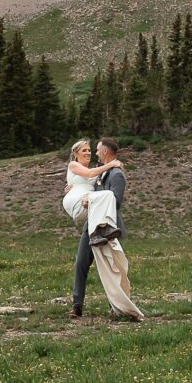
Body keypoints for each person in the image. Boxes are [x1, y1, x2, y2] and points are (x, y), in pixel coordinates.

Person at [66, 137, 143, 321]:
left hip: (109, 226)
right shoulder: (101, 173)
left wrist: (92, 199)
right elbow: (87, 183)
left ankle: (116, 306)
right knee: (81, 264)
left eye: (97, 150)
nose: (95, 153)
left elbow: (114, 200)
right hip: (91, 225)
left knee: (112, 265)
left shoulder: (116, 175)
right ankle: (77, 305)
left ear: (106, 152)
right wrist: (74, 189)